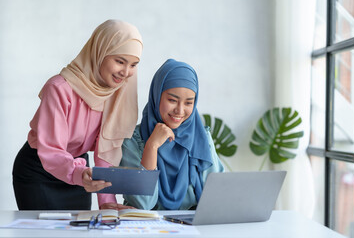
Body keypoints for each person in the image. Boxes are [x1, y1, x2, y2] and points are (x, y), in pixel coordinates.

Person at [12, 19, 143, 210]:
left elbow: (105, 150)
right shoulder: (59, 88)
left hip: (81, 173)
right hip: (39, 170)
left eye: (133, 65)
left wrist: (107, 202)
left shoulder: (116, 93)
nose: (126, 72)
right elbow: (51, 149)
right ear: (100, 51)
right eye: (120, 61)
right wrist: (79, 174)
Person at [98, 59, 224, 210]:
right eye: (172, 100)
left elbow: (216, 198)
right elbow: (143, 204)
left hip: (193, 229)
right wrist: (152, 146)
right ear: (156, 96)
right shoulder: (132, 141)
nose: (179, 110)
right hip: (149, 230)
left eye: (188, 103)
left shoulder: (202, 138)